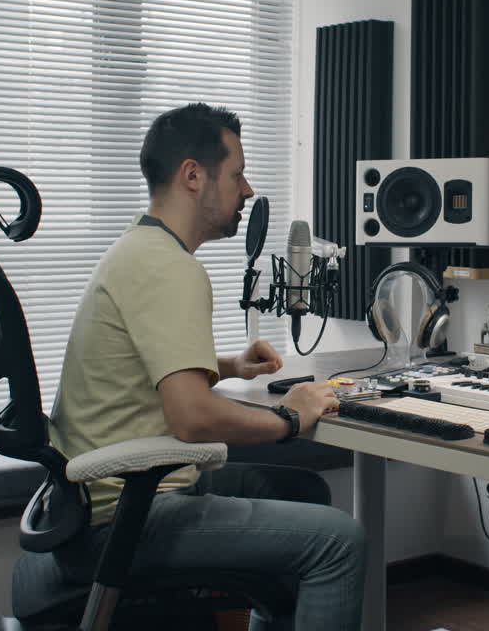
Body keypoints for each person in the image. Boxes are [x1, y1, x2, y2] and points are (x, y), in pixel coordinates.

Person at [48, 102, 366, 630]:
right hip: (128, 512)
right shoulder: (170, 268)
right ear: (193, 176)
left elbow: (140, 365)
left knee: (304, 491)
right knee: (340, 541)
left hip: (99, 499)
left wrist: (228, 366)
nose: (248, 190)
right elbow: (192, 418)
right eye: (238, 175)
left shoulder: (139, 246)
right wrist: (289, 416)